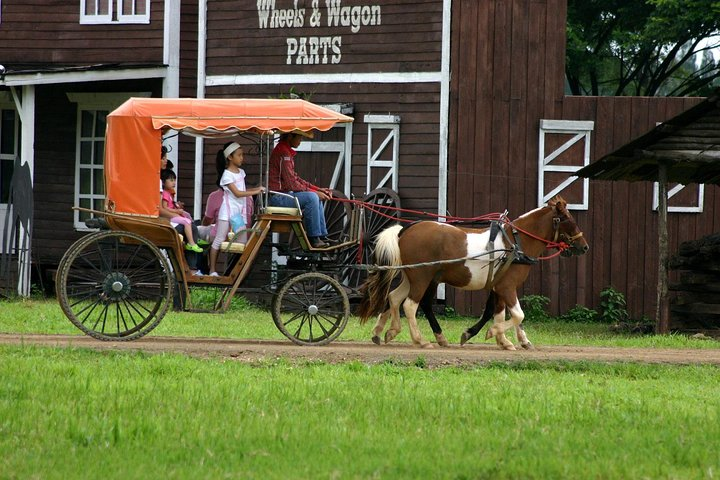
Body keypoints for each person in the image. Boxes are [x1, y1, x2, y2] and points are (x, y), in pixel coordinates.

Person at [267, 131, 333, 248]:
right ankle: (314, 238)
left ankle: (322, 236)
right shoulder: (283, 153)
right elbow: (292, 184)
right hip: (278, 198)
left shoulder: (285, 151)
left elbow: (296, 178)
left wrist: (318, 190)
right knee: (312, 197)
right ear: (290, 136)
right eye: (300, 137)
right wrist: (315, 192)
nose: (301, 140)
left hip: (285, 196)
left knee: (316, 197)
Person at [208, 142, 265, 277]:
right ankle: (212, 270)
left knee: (242, 242)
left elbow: (243, 191)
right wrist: (256, 190)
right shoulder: (227, 175)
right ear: (230, 157)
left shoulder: (241, 173)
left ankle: (235, 274)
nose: (242, 158)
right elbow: (238, 193)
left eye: (242, 155)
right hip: (227, 212)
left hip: (238, 213)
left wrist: (257, 190)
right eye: (239, 155)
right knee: (219, 239)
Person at [160, 169, 203, 254]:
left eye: (174, 180)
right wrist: (177, 211)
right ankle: (191, 243)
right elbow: (165, 208)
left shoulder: (169, 193)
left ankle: (196, 238)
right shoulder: (165, 193)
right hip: (170, 217)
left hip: (174, 214)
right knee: (187, 222)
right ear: (164, 183)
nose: (174, 183)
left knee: (188, 216)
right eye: (171, 180)